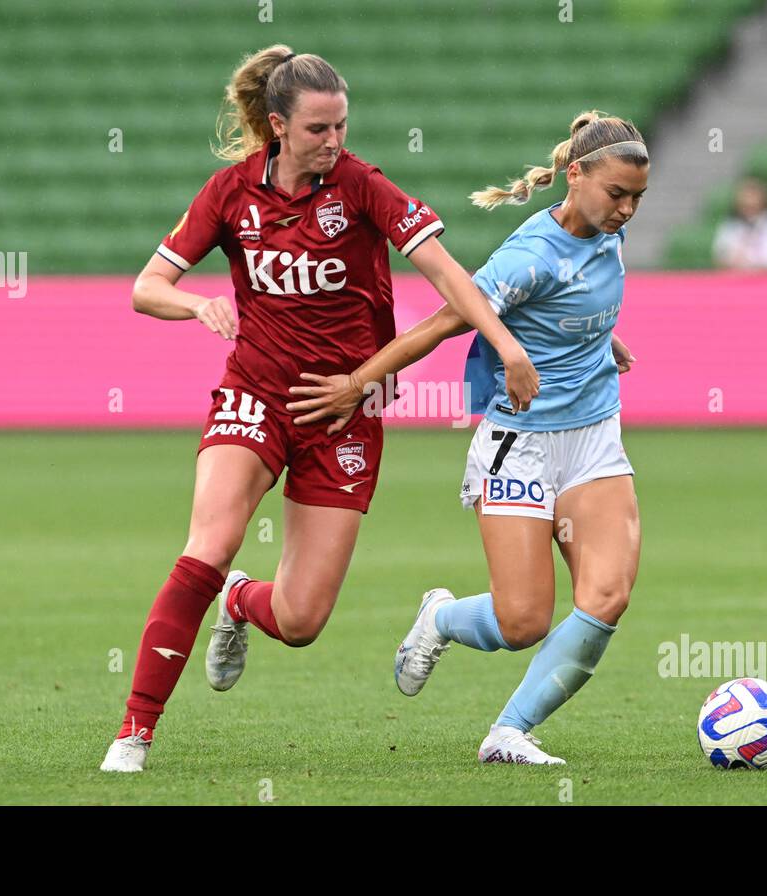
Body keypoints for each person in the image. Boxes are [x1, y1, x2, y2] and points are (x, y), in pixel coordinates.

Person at [100, 45, 539, 772]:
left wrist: (505, 343)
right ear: (278, 126)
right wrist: (197, 303)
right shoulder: (231, 194)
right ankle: (134, 733)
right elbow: (147, 286)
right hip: (255, 393)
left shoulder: (362, 186)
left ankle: (240, 602)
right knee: (209, 543)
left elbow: (448, 275)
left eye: (341, 126)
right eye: (318, 130)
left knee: (301, 621)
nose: (334, 142)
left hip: (346, 412)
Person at [287, 110, 646, 765]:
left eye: (637, 199)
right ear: (576, 176)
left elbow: (571, 304)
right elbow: (443, 322)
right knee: (524, 622)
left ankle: (509, 732)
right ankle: (442, 618)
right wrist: (356, 383)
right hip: (523, 445)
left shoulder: (605, 233)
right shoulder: (529, 255)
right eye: (617, 194)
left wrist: (600, 338)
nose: (627, 210)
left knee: (607, 596)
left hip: (595, 436)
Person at [711, 174, 767, 270]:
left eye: (753, 193)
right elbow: (720, 256)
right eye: (744, 193)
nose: (748, 199)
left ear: (765, 195)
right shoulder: (731, 224)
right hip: (736, 280)